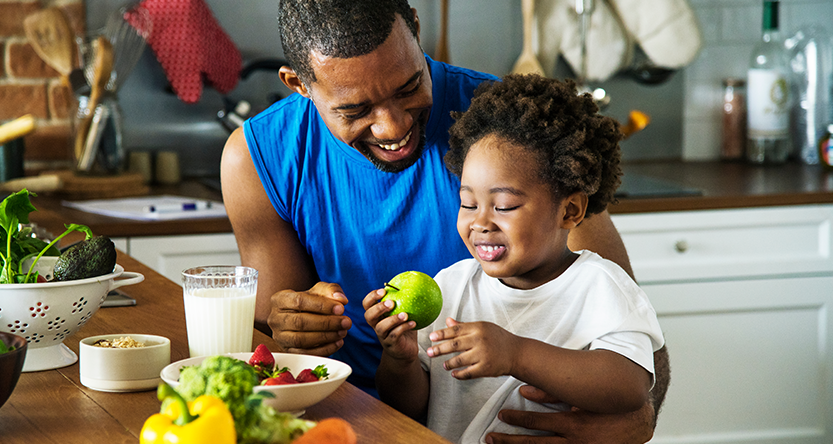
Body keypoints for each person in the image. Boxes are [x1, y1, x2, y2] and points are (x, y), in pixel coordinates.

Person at [220, 0, 670, 441]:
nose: (392, 127)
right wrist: (299, 329)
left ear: (416, 28)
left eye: (409, 86)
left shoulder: (513, 135)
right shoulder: (258, 158)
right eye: (356, 110)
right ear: (298, 83)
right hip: (338, 421)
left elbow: (634, 344)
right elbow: (273, 351)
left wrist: (634, 422)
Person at [363, 74, 665, 443]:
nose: (480, 222)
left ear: (569, 211)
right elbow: (411, 408)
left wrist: (516, 354)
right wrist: (401, 360)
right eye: (468, 203)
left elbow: (628, 386)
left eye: (504, 205)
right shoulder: (452, 286)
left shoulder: (599, 286)